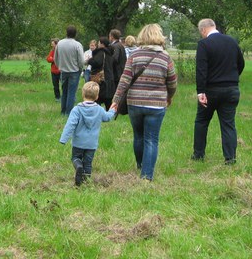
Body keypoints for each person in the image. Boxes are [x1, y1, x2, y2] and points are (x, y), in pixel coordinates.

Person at [111, 24, 177, 181]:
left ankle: (141, 165)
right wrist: (169, 96)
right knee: (151, 139)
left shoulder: (134, 56)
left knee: (138, 136)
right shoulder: (165, 57)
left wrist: (115, 100)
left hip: (135, 102)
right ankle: (146, 176)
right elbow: (172, 82)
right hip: (156, 104)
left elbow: (124, 80)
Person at [192, 18, 245, 165]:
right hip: (231, 89)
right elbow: (241, 63)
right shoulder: (232, 42)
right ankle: (230, 158)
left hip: (211, 90)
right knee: (228, 124)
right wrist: (232, 78)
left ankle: (198, 154)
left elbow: (201, 70)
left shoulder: (204, 44)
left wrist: (200, 91)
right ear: (214, 27)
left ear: (203, 30)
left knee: (202, 121)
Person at [59, 81, 116, 186]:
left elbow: (70, 125)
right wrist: (112, 110)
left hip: (78, 143)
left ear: (82, 94)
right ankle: (86, 181)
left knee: (75, 158)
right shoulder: (99, 109)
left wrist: (64, 139)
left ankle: (78, 167)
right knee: (88, 163)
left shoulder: (77, 110)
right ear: (97, 96)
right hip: (91, 144)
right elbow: (107, 117)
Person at [55, 25, 85, 116]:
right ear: (75, 34)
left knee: (64, 92)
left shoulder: (59, 43)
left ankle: (63, 111)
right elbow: (81, 60)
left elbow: (56, 58)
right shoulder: (77, 44)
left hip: (63, 71)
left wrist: (59, 66)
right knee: (71, 92)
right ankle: (69, 112)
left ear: (66, 33)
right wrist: (80, 68)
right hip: (74, 71)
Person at [87, 37, 114, 109]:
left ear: (102, 44)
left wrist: (89, 60)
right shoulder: (110, 52)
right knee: (108, 99)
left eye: (99, 43)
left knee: (98, 97)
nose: (98, 44)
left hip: (101, 78)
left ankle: (97, 112)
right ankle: (109, 114)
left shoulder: (101, 52)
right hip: (109, 77)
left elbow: (96, 62)